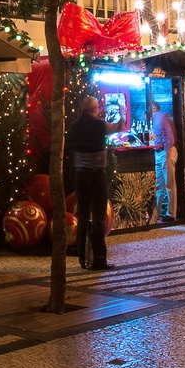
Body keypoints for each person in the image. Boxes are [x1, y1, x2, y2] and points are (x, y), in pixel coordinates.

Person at [69, 94, 111, 270]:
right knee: (99, 216)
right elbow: (118, 127)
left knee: (83, 215)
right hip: (97, 175)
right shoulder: (99, 125)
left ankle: (82, 257)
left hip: (80, 175)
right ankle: (99, 258)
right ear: (95, 109)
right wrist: (121, 114)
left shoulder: (75, 127)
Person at [152, 99, 179, 221]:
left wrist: (167, 152)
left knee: (168, 185)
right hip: (159, 152)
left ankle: (171, 214)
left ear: (154, 107)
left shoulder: (160, 118)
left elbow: (170, 137)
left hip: (165, 152)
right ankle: (158, 214)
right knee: (161, 186)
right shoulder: (157, 118)